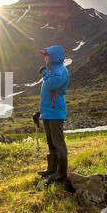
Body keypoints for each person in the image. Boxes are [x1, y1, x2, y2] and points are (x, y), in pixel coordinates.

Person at [32, 45, 69, 182]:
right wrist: (39, 112)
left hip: (55, 113)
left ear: (54, 57)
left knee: (58, 142)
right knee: (50, 141)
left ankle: (62, 173)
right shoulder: (51, 70)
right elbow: (47, 96)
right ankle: (52, 169)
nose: (45, 58)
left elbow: (52, 85)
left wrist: (45, 73)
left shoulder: (62, 71)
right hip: (47, 113)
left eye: (47, 55)